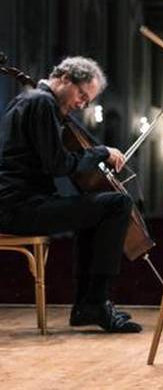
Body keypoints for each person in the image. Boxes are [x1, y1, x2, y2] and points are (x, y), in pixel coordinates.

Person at [0, 56, 140, 333]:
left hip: (20, 204)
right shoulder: (41, 103)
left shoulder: (32, 101)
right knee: (118, 203)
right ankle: (94, 303)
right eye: (81, 95)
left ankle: (89, 306)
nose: (82, 104)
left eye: (87, 101)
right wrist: (101, 152)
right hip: (19, 207)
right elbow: (58, 164)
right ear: (64, 78)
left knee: (95, 212)